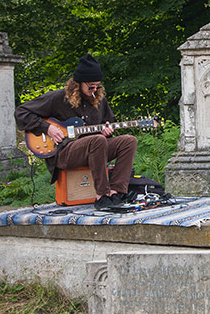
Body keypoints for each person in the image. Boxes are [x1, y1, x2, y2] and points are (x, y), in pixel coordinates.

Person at [14, 54, 138, 210]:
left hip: (94, 151)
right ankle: (102, 195)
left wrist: (108, 129)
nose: (94, 90)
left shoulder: (100, 101)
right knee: (97, 140)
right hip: (64, 152)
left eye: (97, 86)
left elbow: (109, 122)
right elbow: (21, 113)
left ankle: (116, 192)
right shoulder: (58, 98)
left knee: (129, 141)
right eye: (90, 86)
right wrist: (47, 128)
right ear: (78, 83)